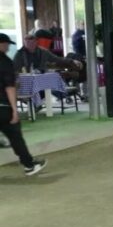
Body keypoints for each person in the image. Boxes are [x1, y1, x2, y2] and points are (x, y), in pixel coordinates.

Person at [0, 34, 46, 176]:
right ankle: (29, 165)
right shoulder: (5, 61)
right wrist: (15, 110)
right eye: (6, 44)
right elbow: (10, 87)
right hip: (3, 106)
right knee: (15, 136)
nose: (8, 47)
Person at [13, 33, 81, 74]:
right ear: (24, 43)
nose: (30, 45)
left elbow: (57, 59)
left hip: (42, 79)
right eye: (27, 43)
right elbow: (15, 69)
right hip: (26, 81)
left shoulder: (43, 52)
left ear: (36, 42)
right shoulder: (19, 54)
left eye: (32, 43)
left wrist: (72, 61)